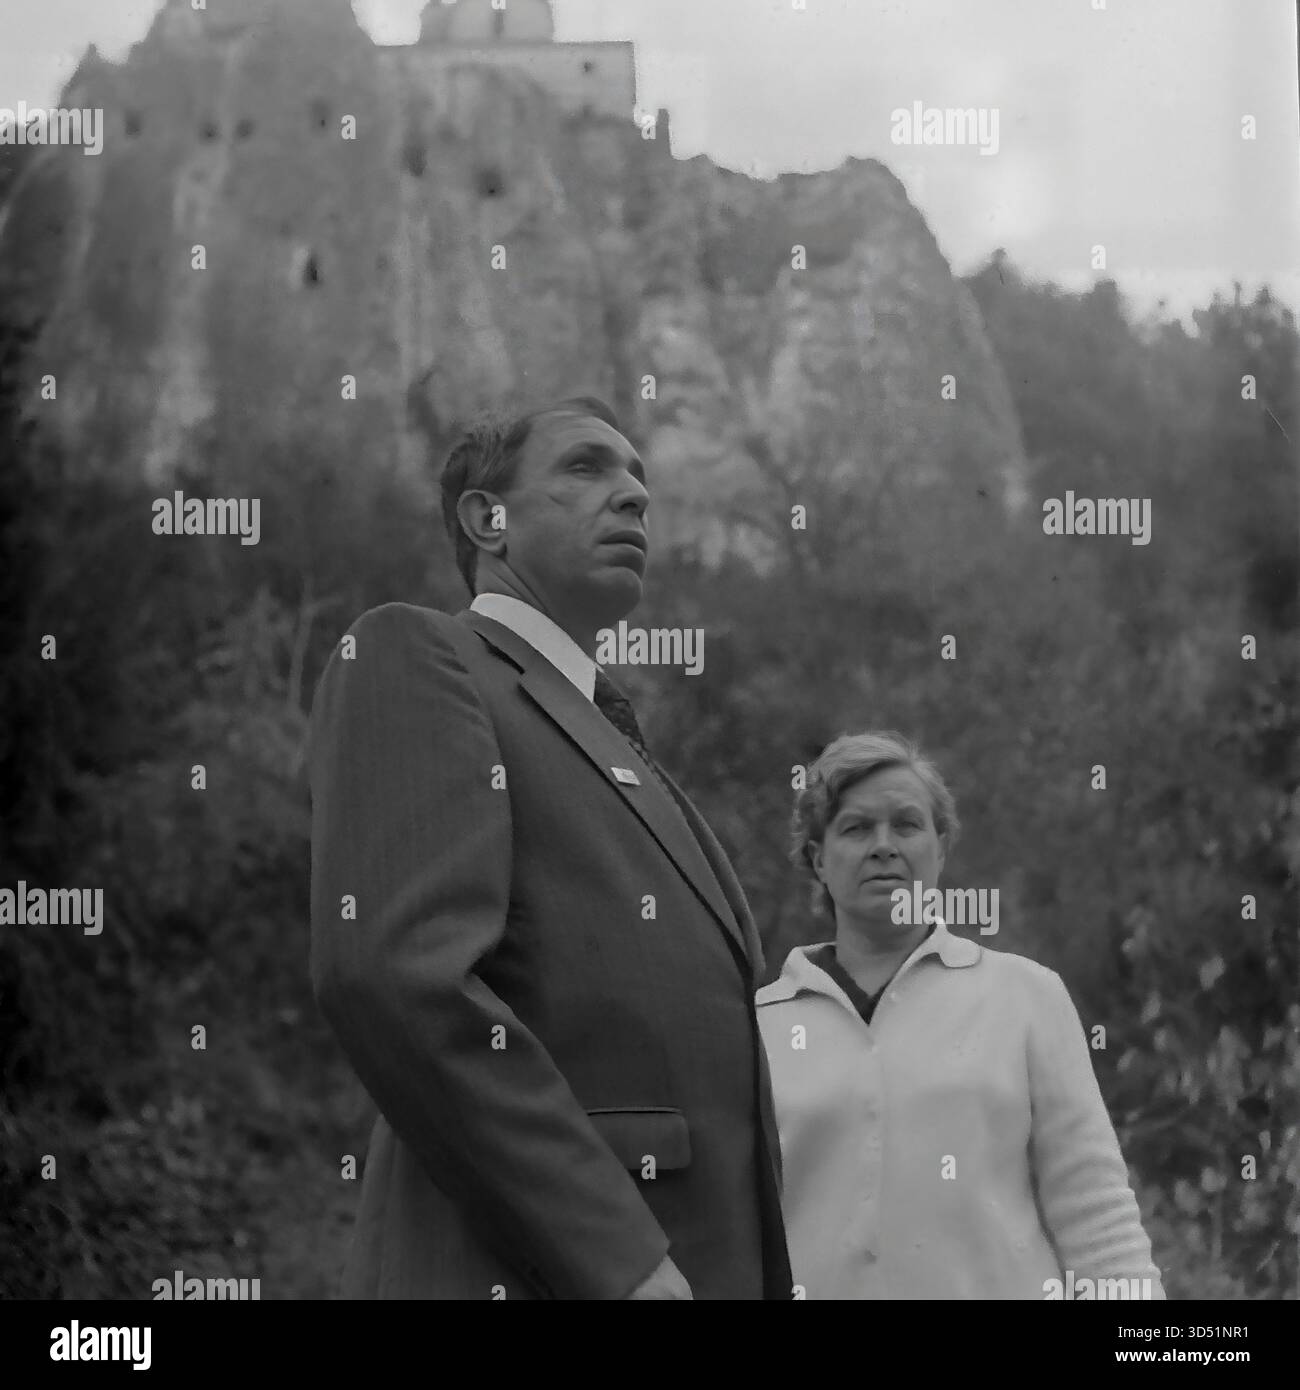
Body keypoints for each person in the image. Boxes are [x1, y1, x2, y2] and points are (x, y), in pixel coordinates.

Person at [308, 394, 790, 1299]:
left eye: (640, 479)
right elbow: (398, 976)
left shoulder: (618, 742)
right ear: (485, 519)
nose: (634, 495)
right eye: (587, 468)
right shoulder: (420, 656)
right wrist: (623, 1260)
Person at [756, 730, 1164, 1300]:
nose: (883, 845)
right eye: (855, 828)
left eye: (906, 824)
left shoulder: (1026, 997)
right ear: (819, 859)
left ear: (941, 847)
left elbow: (1095, 1211)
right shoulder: (759, 1027)